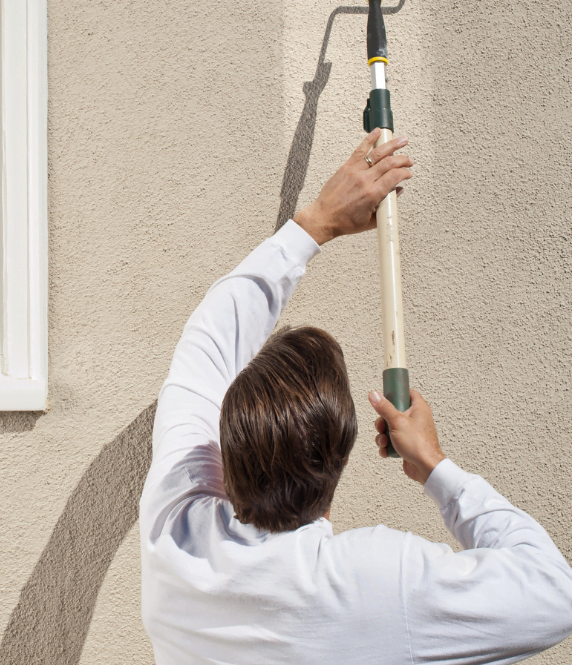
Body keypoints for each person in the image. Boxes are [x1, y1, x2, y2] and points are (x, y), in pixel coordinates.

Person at [139, 129, 572, 664]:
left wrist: (317, 221)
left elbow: (208, 342)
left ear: (226, 451)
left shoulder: (174, 530)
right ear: (341, 456)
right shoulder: (376, 583)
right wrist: (435, 467)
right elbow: (554, 594)